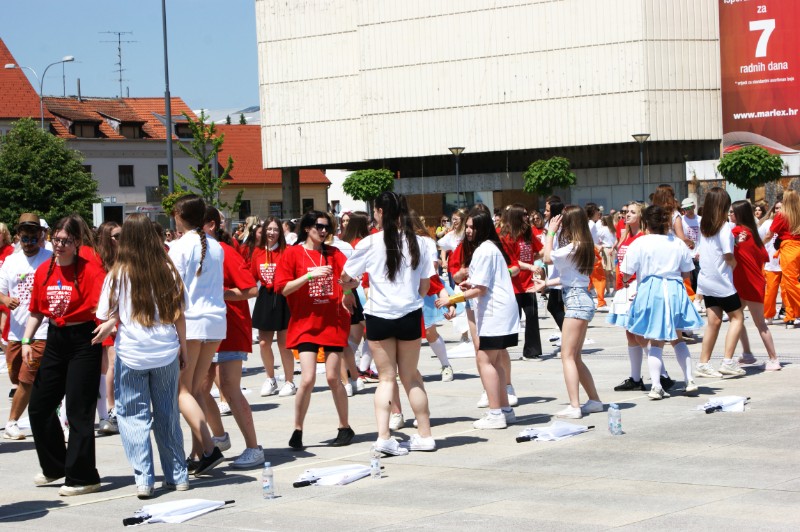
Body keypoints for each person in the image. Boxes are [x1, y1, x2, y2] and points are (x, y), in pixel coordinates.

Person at [93, 214, 189, 498]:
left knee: (132, 416)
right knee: (167, 414)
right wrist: (183, 348)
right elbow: (179, 315)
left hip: (132, 353)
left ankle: (145, 479)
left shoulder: (117, 274)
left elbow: (103, 314)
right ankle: (177, 474)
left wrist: (114, 320)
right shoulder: (167, 270)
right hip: (165, 350)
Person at [342, 192, 435, 454]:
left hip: (379, 315)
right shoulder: (421, 243)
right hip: (409, 314)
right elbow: (425, 287)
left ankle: (384, 437)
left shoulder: (370, 242)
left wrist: (350, 288)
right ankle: (425, 435)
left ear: (381, 212)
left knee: (385, 379)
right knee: (411, 377)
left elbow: (345, 276)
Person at [25, 214, 106, 496]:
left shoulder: (91, 271)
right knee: (39, 406)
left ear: (78, 243)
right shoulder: (44, 270)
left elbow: (109, 307)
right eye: (56, 239)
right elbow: (36, 310)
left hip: (84, 340)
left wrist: (107, 330)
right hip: (55, 339)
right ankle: (56, 466)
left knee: (78, 411)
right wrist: (26, 339)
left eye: (66, 241)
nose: (59, 245)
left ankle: (84, 477)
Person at [274, 210, 354, 450]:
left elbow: (350, 279)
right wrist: (309, 275)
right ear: (307, 228)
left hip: (333, 321)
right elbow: (283, 288)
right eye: (319, 226)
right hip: (305, 323)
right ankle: (297, 429)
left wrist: (350, 287)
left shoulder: (334, 253)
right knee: (307, 379)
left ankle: (344, 427)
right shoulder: (293, 254)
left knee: (333, 377)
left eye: (327, 227)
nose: (323, 231)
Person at [439, 209, 519, 429]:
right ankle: (505, 409)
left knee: (484, 360)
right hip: (501, 310)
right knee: (494, 362)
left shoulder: (484, 250)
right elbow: (481, 283)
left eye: (473, 227)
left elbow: (481, 289)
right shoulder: (491, 248)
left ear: (483, 228)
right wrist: (469, 285)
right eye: (467, 226)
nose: (468, 231)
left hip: (495, 312)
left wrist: (453, 298)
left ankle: (495, 413)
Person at [200, 207, 263, 469]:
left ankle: (253, 447)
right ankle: (220, 437)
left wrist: (219, 294)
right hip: (204, 329)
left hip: (231, 327)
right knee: (200, 387)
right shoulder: (194, 251)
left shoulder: (224, 251)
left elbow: (251, 289)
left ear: (211, 225)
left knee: (229, 386)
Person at [620, 205, 704, 399]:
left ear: (646, 223)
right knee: (678, 337)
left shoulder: (640, 243)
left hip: (651, 288)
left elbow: (626, 272)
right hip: (674, 288)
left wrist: (627, 282)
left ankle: (656, 386)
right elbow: (686, 273)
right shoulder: (677, 243)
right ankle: (689, 379)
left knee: (655, 341)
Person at [169, 194, 227, 476]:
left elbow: (173, 290)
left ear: (180, 214)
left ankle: (208, 447)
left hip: (190, 323)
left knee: (180, 391)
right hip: (215, 321)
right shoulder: (216, 246)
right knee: (192, 391)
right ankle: (198, 452)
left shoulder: (178, 247)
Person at [536, 206, 602, 419]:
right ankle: (594, 400)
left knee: (566, 356)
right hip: (579, 297)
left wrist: (551, 232)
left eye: (563, 221)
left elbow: (546, 258)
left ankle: (575, 405)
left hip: (575, 301)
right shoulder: (582, 245)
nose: (560, 223)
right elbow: (570, 278)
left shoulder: (573, 245)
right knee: (575, 357)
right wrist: (546, 283)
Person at [0, 214, 52, 440]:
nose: (29, 243)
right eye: (25, 239)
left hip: (41, 329)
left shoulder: (50, 258)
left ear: (40, 236)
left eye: (33, 238)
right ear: (18, 236)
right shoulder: (11, 261)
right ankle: (42, 412)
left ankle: (11, 422)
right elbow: (0, 292)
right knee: (16, 376)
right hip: (16, 330)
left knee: (26, 378)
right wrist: (5, 301)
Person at [695, 187, 746, 378]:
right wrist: (734, 264)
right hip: (721, 281)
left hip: (706, 280)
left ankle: (703, 363)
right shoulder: (724, 227)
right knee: (737, 317)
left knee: (713, 322)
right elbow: (727, 254)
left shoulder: (705, 226)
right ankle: (728, 361)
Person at [729, 201, 781, 370]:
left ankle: (774, 359)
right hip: (750, 282)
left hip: (748, 283)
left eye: (732, 212)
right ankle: (747, 354)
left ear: (739, 214)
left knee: (759, 323)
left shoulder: (737, 232)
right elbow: (764, 256)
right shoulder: (751, 233)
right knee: (737, 319)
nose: (729, 214)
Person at [252, 218, 296, 398]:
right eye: (268, 229)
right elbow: (251, 276)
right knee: (263, 343)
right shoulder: (257, 252)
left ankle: (289, 381)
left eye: (275, 229)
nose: (271, 233)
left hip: (284, 297)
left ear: (281, 232)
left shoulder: (288, 251)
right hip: (265, 297)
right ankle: (270, 378)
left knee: (284, 344)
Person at [608, 202, 649, 391]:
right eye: (625, 212)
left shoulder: (643, 237)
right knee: (629, 333)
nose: (627, 215)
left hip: (636, 285)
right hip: (623, 287)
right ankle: (635, 377)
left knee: (639, 333)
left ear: (641, 216)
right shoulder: (625, 234)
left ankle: (661, 374)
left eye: (632, 212)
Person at [500, 204, 544, 359]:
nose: (528, 217)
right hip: (513, 285)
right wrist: (531, 266)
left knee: (532, 316)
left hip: (528, 283)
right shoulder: (505, 237)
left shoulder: (527, 233)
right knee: (512, 318)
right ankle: (501, 350)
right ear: (516, 216)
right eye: (525, 214)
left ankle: (532, 351)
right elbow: (513, 261)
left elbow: (539, 251)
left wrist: (552, 235)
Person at [95, 221, 121, 436]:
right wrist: (109, 322)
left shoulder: (122, 258)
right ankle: (111, 409)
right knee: (111, 363)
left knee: (111, 365)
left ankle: (111, 409)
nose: (121, 239)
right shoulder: (98, 262)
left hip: (122, 317)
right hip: (107, 319)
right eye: (116, 236)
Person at [769, 190, 800, 328]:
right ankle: (791, 315)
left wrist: (760, 244)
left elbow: (770, 233)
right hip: (796, 248)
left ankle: (792, 314)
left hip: (789, 250)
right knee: (789, 283)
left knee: (790, 283)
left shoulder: (782, 215)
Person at [761, 201, 783, 325]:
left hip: (786, 261)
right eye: (776, 208)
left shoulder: (790, 222)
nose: (778, 211)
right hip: (771, 263)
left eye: (781, 208)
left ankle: (791, 313)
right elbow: (760, 237)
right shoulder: (767, 224)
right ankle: (768, 315)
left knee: (787, 291)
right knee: (771, 292)